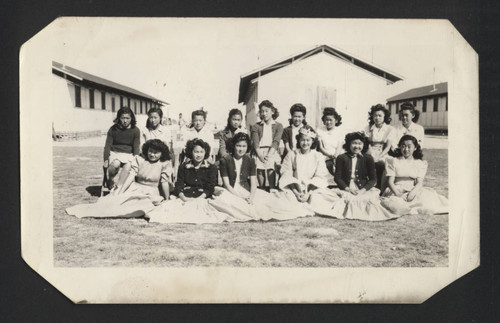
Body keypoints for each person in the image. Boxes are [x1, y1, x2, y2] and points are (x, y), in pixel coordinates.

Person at [209, 133, 310, 221]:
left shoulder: (250, 160)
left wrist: (251, 197)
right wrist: (240, 197)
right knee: (236, 206)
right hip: (231, 191)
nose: (241, 149)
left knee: (269, 204)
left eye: (244, 146)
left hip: (247, 190)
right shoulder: (225, 160)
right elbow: (227, 185)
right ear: (233, 146)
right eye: (238, 146)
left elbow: (253, 183)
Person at [66, 139, 173, 218]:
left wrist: (167, 199)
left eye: (156, 152)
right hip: (135, 187)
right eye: (150, 151)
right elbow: (131, 176)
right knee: (118, 201)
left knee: (138, 205)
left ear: (161, 154)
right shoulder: (140, 160)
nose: (152, 154)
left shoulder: (164, 164)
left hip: (151, 191)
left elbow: (164, 182)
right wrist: (121, 191)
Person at [146, 139, 229, 224]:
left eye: (201, 152)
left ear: (205, 153)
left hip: (202, 197)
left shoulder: (211, 168)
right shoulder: (183, 167)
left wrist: (199, 199)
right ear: (191, 152)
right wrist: (183, 198)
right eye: (196, 152)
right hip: (186, 196)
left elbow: (210, 187)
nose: (199, 155)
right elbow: (179, 185)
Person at [279, 125, 344, 218]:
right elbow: (286, 174)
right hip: (294, 188)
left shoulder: (317, 156)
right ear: (299, 140)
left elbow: (320, 176)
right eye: (302, 140)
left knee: (317, 199)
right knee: (287, 200)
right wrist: (296, 193)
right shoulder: (292, 154)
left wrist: (308, 193)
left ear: (312, 141)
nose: (305, 143)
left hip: (312, 189)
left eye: (308, 140)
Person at [334, 132, 398, 221]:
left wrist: (362, 190)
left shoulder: (368, 158)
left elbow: (373, 179)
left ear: (364, 145)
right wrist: (348, 189)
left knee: (366, 201)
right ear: (348, 144)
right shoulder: (341, 157)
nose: (357, 146)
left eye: (359, 143)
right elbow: (337, 178)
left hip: (363, 190)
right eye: (354, 143)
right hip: (346, 189)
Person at [381, 135, 448, 215]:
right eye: (403, 146)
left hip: (413, 189)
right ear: (399, 147)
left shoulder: (420, 163)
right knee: (395, 204)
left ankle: (412, 206)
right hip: (396, 189)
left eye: (409, 147)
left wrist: (412, 193)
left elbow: (419, 182)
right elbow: (390, 182)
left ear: (415, 148)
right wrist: (398, 194)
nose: (406, 149)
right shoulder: (393, 161)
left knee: (427, 201)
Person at [103, 106, 141, 191]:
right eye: (123, 118)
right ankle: (110, 180)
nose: (125, 121)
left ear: (131, 118)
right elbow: (107, 145)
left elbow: (136, 147)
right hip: (115, 152)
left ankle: (118, 187)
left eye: (127, 118)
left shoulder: (135, 130)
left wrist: (136, 158)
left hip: (128, 154)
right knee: (115, 164)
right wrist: (105, 159)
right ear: (119, 118)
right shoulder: (113, 129)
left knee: (128, 166)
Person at [250, 100, 284, 191]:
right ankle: (262, 188)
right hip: (259, 151)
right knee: (259, 167)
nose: (264, 113)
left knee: (270, 167)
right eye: (262, 111)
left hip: (272, 151)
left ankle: (272, 188)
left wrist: (268, 155)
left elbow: (276, 141)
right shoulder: (256, 126)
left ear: (272, 111)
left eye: (266, 111)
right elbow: (255, 143)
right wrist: (261, 156)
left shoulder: (279, 126)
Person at [362, 104, 395, 189]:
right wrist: (371, 155)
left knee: (384, 165)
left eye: (380, 115)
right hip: (370, 152)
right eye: (375, 115)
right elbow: (366, 144)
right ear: (372, 116)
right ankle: (367, 186)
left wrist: (378, 157)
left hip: (383, 153)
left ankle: (381, 187)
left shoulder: (390, 129)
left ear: (385, 116)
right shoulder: (368, 128)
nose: (377, 118)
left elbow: (388, 147)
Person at [317, 107, 344, 176]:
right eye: (326, 120)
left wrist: (335, 156)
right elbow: (320, 147)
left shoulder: (339, 131)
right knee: (327, 165)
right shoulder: (320, 130)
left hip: (337, 154)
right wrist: (329, 155)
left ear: (336, 120)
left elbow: (339, 146)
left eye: (330, 120)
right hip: (325, 155)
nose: (328, 122)